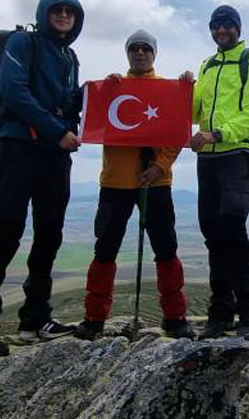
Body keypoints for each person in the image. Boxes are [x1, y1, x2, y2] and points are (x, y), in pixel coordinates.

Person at [0, 0, 84, 359]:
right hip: (19, 149)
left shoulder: (69, 55)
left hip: (55, 155)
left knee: (49, 234)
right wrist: (56, 131)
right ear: (44, 13)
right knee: (7, 231)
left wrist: (105, 90)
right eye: (57, 10)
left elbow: (70, 101)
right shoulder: (22, 42)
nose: (63, 16)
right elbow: (13, 91)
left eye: (70, 12)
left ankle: (36, 318)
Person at [74, 29, 195, 340]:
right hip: (115, 182)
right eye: (134, 48)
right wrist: (101, 90)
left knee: (166, 249)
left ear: (154, 54)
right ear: (127, 53)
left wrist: (159, 166)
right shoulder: (114, 87)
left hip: (156, 182)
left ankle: (175, 315)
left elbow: (175, 135)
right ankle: (94, 318)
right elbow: (91, 117)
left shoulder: (169, 89)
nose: (140, 53)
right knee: (105, 250)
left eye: (146, 48)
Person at [190, 5, 249, 341]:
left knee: (232, 228)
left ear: (237, 28)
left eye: (227, 25)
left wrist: (219, 134)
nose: (222, 30)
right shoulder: (207, 65)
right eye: (216, 25)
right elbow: (194, 112)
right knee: (212, 234)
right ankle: (220, 310)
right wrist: (184, 88)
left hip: (237, 154)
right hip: (207, 158)